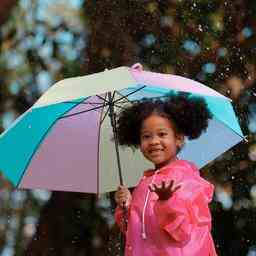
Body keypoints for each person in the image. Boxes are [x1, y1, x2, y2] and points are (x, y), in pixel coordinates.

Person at [114, 93, 218, 256]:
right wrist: (125, 207)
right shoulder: (143, 184)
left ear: (178, 139)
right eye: (146, 136)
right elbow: (135, 233)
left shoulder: (188, 181)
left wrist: (167, 202)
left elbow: (182, 233)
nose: (154, 141)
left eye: (162, 134)